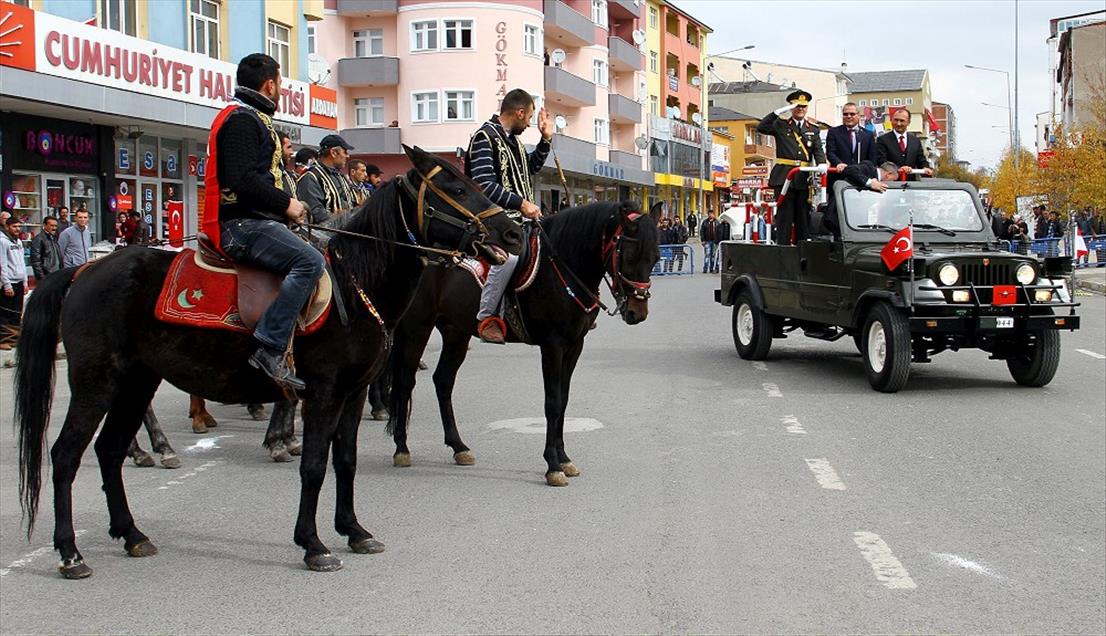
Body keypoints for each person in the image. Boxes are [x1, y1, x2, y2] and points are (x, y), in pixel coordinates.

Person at [204, 52, 322, 391]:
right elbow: (242, 179)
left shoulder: (252, 118)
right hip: (242, 226)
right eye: (281, 83)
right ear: (270, 85)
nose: (281, 89)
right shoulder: (243, 120)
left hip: (255, 221)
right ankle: (270, 346)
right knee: (309, 260)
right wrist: (288, 204)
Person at [467, 88, 552, 344]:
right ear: (519, 112)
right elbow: (483, 184)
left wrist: (545, 140)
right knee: (509, 259)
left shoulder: (512, 141)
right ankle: (487, 318)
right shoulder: (485, 137)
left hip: (521, 221)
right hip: (494, 221)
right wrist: (521, 203)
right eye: (529, 119)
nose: (529, 124)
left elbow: (531, 166)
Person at [757, 89, 827, 245]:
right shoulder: (780, 125)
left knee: (803, 217)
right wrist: (777, 112)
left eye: (803, 106)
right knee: (785, 218)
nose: (800, 109)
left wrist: (822, 163)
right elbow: (762, 127)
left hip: (803, 178)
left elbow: (817, 150)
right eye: (796, 105)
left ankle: (803, 252)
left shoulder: (813, 129)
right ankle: (783, 249)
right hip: (784, 177)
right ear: (791, 107)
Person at [825, 161, 900, 236]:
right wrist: (870, 183)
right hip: (839, 216)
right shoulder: (868, 168)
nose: (891, 182)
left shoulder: (878, 183)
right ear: (888, 174)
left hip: (855, 221)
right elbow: (849, 170)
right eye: (893, 180)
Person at [298, 134, 357, 224]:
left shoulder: (340, 176)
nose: (348, 156)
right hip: (324, 234)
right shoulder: (311, 177)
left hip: (346, 231)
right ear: (333, 153)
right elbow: (316, 213)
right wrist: (346, 221)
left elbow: (350, 204)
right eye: (345, 152)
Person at [826, 102, 878, 189]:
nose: (848, 116)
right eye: (845, 114)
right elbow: (830, 152)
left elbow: (872, 158)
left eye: (852, 114)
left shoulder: (868, 134)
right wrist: (839, 163)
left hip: (861, 179)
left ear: (858, 115)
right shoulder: (833, 132)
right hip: (839, 177)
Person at [876, 108, 933, 179]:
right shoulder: (882, 140)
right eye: (896, 120)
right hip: (891, 185)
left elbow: (921, 160)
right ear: (891, 120)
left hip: (911, 185)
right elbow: (881, 161)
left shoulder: (915, 141)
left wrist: (926, 168)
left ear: (909, 122)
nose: (898, 123)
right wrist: (899, 169)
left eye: (902, 121)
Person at [1, 216, 28, 349]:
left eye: (19, 226)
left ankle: (14, 338)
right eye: (14, 227)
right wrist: (6, 284)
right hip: (9, 282)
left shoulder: (18, 241)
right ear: (7, 227)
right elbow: (2, 264)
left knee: (16, 312)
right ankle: (3, 340)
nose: (17, 229)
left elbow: (22, 262)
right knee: (6, 313)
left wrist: (25, 282)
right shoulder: (3, 241)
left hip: (19, 281)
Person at [30, 215, 63, 281]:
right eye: (51, 225)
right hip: (47, 275)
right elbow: (36, 261)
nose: (54, 228)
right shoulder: (39, 239)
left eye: (55, 226)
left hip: (57, 274)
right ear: (45, 225)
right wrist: (41, 278)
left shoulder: (53, 238)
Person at [277, 132, 299, 199]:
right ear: (278, 149)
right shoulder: (264, 175)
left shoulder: (289, 176)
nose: (291, 152)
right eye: (288, 147)